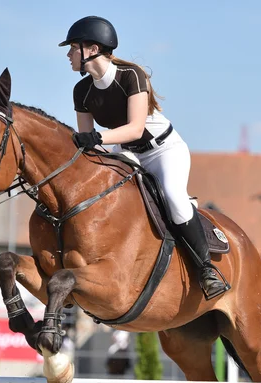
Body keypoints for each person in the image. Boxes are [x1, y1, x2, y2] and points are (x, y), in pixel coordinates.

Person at [58, 15, 226, 300]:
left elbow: (135, 128)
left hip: (164, 150)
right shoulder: (81, 90)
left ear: (93, 49)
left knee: (173, 196)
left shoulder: (130, 75)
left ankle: (207, 270)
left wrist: (97, 138)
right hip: (127, 153)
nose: (69, 54)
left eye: (73, 47)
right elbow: (89, 145)